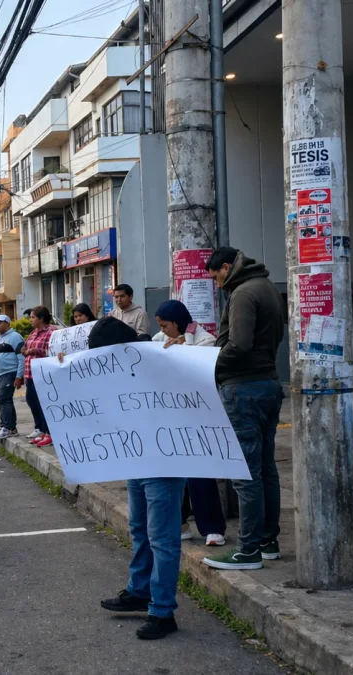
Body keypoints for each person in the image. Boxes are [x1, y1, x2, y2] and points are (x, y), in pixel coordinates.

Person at [91, 316, 184, 640]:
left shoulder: (163, 355)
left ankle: (162, 612)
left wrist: (181, 355)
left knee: (162, 538)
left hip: (163, 463)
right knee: (140, 530)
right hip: (136, 460)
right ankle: (140, 590)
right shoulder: (119, 364)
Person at [200, 247, 286, 571]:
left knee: (246, 473)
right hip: (267, 383)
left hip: (243, 388)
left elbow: (238, 344)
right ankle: (267, 541)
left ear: (226, 267)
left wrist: (206, 363)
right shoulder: (267, 286)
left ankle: (247, 549)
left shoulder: (243, 292)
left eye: (217, 277)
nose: (218, 285)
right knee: (266, 469)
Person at [152, 299, 226, 547]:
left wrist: (183, 348)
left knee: (200, 473)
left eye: (165, 326)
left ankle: (212, 528)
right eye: (160, 327)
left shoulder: (205, 340)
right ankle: (181, 523)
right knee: (174, 474)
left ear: (177, 323)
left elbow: (205, 368)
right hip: (169, 416)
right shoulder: (157, 341)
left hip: (198, 416)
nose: (162, 331)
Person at [22, 306, 56, 447]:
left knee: (45, 405)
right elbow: (25, 348)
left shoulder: (52, 332)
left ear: (41, 318)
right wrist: (25, 350)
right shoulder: (33, 333)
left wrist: (34, 350)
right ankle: (41, 430)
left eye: (33, 317)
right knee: (32, 402)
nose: (30, 320)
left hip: (43, 374)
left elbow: (52, 350)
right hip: (30, 374)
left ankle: (50, 433)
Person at [0, 314, 25, 440]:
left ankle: (6, 428)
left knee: (3, 400)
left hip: (10, 373)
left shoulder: (15, 337)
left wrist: (19, 376)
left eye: (0, 322)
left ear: (8, 324)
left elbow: (21, 358)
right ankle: (11, 428)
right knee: (5, 401)